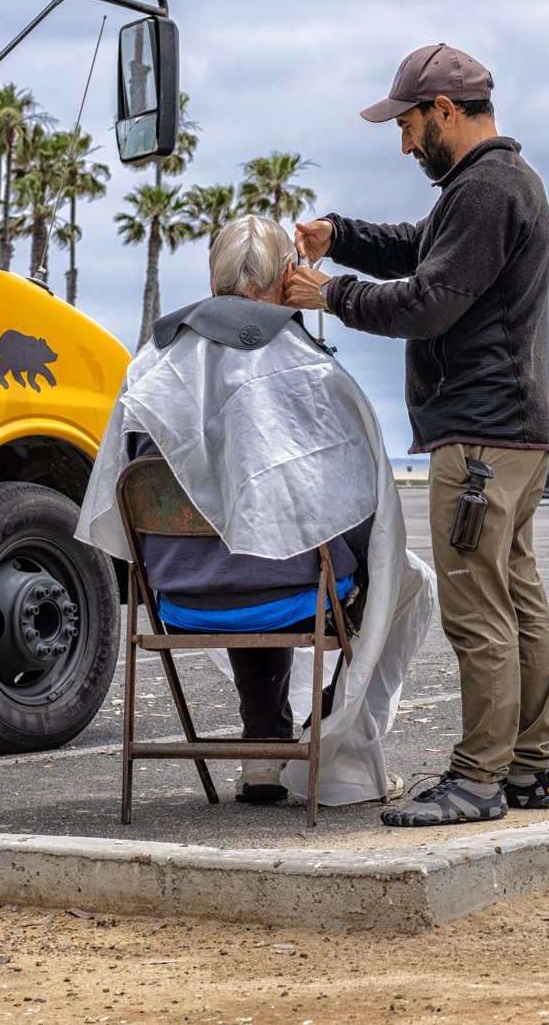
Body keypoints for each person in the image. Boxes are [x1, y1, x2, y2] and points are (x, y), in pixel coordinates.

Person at [277, 44, 549, 828]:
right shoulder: (489, 186)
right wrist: (339, 234)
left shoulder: (488, 189)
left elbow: (427, 302)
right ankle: (529, 767)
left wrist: (331, 295)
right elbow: (416, 246)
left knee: (478, 610)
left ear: (444, 110)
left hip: (480, 436)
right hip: (515, 433)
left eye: (407, 126)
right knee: (517, 600)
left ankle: (478, 778)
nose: (404, 145)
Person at [77, 216, 434, 808]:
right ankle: (328, 741)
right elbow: (362, 510)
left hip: (179, 597)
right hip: (295, 593)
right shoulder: (309, 369)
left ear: (212, 279)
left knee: (250, 553)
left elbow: (120, 484)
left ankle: (263, 750)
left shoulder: (151, 367)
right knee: (396, 576)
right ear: (286, 277)